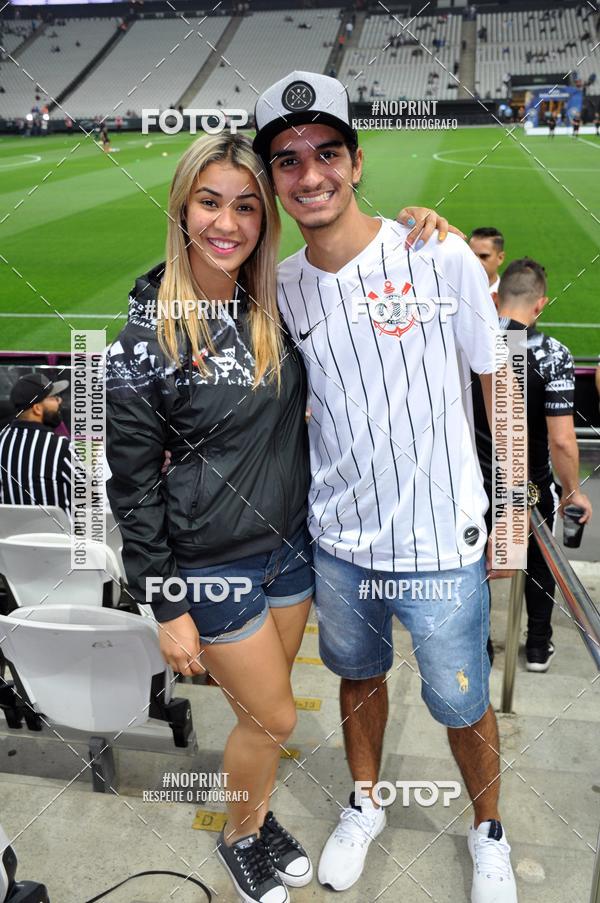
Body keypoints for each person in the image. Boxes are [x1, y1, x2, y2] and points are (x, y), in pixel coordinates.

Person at [105, 130, 452, 903]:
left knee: (255, 721)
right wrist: (165, 604)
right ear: (182, 208)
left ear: (264, 219)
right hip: (211, 567)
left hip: (290, 552)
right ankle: (239, 836)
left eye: (246, 207)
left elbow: (364, 292)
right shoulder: (143, 340)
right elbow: (131, 487)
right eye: (210, 203)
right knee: (274, 719)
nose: (227, 223)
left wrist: (425, 231)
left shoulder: (273, 309)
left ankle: (255, 815)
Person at [253, 71, 518, 903]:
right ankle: (365, 802)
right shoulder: (281, 286)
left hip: (442, 540)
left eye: (327, 153)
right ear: (274, 179)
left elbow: (498, 383)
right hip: (339, 541)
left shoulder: (438, 254)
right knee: (358, 676)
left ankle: (489, 832)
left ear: (357, 161)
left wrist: (513, 512)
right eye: (289, 160)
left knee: (462, 703)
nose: (311, 174)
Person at [473, 259, 592, 671]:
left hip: (473, 483)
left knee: (473, 562)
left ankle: (479, 646)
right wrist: (573, 491)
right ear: (541, 303)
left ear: (496, 299)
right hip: (531, 486)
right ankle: (538, 645)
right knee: (540, 559)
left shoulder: (469, 346)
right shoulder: (553, 354)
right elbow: (562, 439)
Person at [0, 373, 71, 515]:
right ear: (37, 408)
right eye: (53, 397)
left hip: (10, 530)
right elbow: (91, 496)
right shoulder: (62, 448)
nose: (59, 401)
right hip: (58, 530)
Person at [469, 226, 505, 305]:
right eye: (472, 256)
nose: (477, 262)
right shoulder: (455, 293)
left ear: (500, 258)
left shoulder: (511, 298)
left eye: (484, 256)